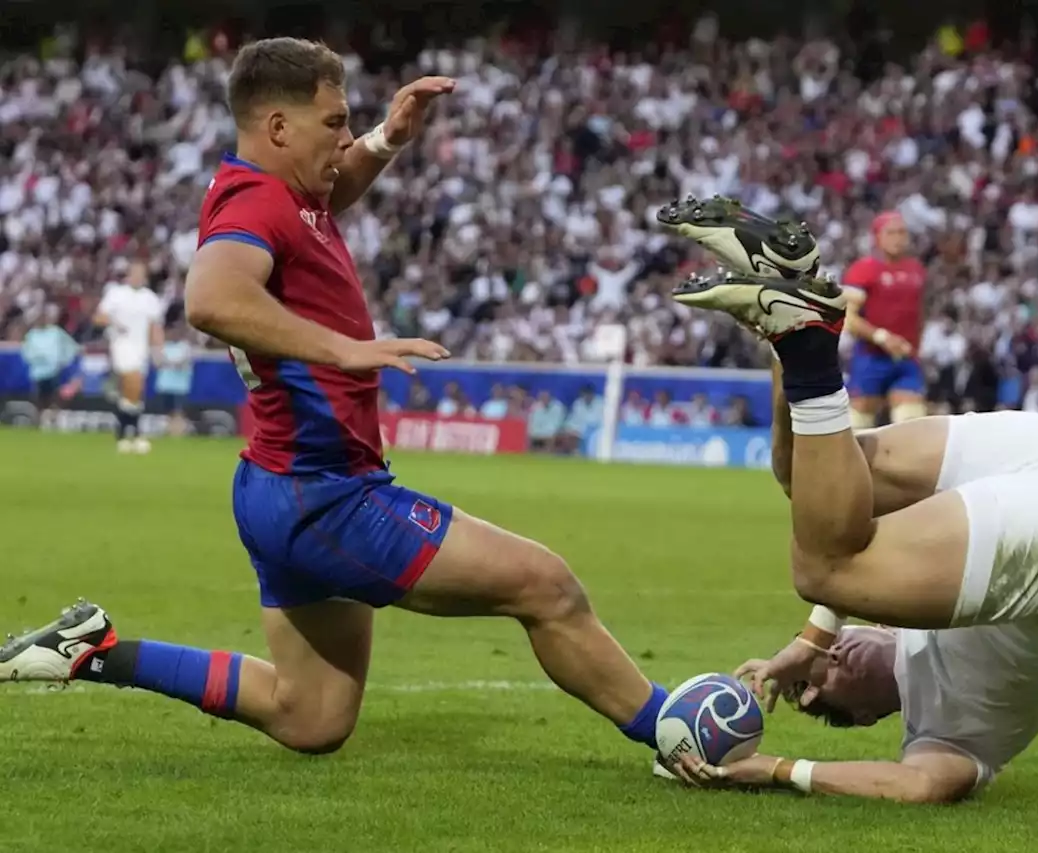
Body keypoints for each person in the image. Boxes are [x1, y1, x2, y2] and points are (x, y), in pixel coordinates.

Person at [1, 37, 669, 758]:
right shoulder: (258, 201)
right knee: (546, 585)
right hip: (324, 495)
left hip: (278, 484)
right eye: (334, 121)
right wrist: (344, 348)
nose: (345, 136)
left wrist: (386, 140)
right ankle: (675, 729)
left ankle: (91, 651)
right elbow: (211, 297)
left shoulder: (280, 192)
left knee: (310, 716)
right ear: (279, 128)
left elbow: (331, 190)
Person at [655, 198, 1038, 802]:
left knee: (811, 478)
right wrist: (773, 768)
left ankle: (789, 307)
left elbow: (852, 582)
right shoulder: (943, 730)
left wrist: (810, 642)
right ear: (871, 716)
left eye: (808, 686)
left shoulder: (895, 611)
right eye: (826, 703)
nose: (820, 684)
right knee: (822, 570)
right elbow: (919, 785)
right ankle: (803, 343)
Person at [840, 212, 928, 428]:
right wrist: (882, 337)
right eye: (891, 233)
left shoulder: (916, 270)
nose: (897, 238)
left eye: (902, 232)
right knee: (858, 425)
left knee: (911, 422)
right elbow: (848, 318)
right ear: (877, 237)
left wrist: (916, 347)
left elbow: (918, 314)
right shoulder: (863, 270)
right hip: (871, 357)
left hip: (905, 357)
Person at [94, 260, 165, 453]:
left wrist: (158, 350)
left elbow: (154, 326)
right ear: (128, 275)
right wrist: (115, 323)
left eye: (141, 274)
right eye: (134, 273)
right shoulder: (116, 294)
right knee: (131, 382)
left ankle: (124, 433)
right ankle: (136, 433)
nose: (137, 277)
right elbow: (99, 317)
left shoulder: (150, 298)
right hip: (121, 344)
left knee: (134, 392)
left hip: (141, 347)